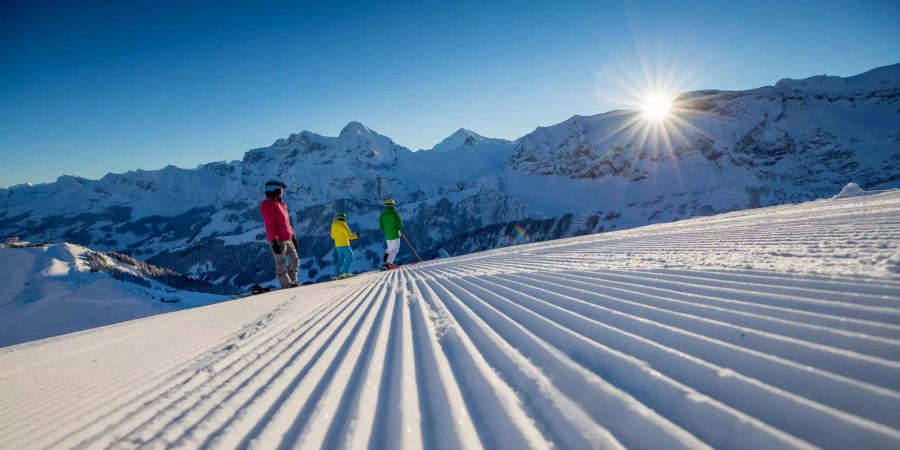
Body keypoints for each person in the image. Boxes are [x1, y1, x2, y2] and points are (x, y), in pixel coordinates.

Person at [259, 180, 300, 289]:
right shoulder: (268, 205)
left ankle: (292, 281)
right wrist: (273, 240)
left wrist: (292, 236)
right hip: (278, 240)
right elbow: (269, 225)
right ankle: (286, 284)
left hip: (288, 237)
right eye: (281, 190)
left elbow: (286, 222)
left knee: (295, 260)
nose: (282, 192)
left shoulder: (281, 204)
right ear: (277, 190)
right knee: (280, 262)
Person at [330, 212, 359, 279]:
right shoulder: (343, 225)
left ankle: (336, 274)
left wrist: (338, 238)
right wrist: (357, 236)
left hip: (337, 245)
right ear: (344, 218)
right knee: (350, 257)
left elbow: (332, 236)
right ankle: (345, 272)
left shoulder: (334, 224)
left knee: (341, 259)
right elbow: (349, 236)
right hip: (345, 244)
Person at [379, 198, 402, 269]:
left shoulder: (382, 215)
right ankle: (388, 264)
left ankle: (385, 261)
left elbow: (381, 226)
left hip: (387, 235)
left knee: (389, 248)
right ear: (393, 205)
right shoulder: (395, 214)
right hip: (395, 234)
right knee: (395, 249)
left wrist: (387, 231)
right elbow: (400, 225)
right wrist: (398, 229)